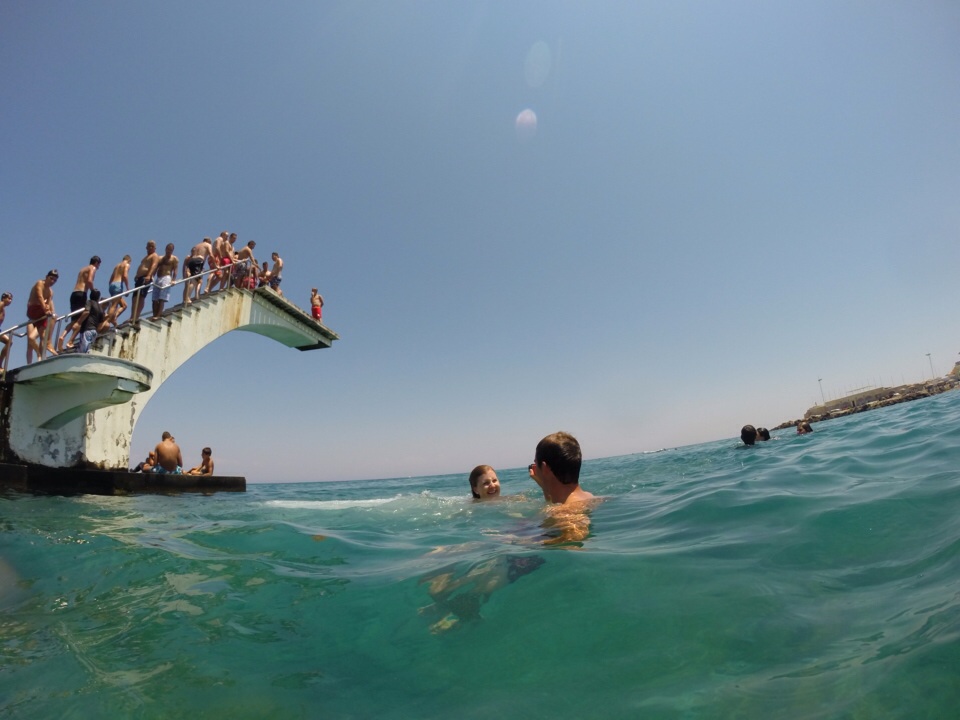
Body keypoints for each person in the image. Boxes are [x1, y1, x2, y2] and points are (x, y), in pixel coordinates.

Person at [58, 256, 101, 351]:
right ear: (97, 263)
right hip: (82, 294)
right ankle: (70, 341)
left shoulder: (82, 269)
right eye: (99, 265)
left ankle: (62, 336)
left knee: (74, 320)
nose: (98, 267)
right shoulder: (92, 268)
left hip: (74, 294)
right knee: (81, 320)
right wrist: (93, 292)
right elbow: (90, 280)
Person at [26, 270, 58, 363]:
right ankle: (33, 360)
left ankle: (42, 356)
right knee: (30, 340)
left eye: (55, 280)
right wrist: (46, 309)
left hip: (41, 314)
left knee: (42, 337)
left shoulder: (50, 292)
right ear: (46, 277)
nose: (52, 281)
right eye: (51, 278)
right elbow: (40, 297)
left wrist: (47, 309)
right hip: (33, 312)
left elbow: (48, 304)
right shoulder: (40, 283)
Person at [131, 241, 159, 323]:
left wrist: (149, 275)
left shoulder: (154, 256)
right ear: (146, 247)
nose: (150, 247)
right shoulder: (145, 257)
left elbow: (154, 265)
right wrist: (137, 275)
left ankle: (136, 316)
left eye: (152, 246)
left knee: (141, 296)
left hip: (145, 277)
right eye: (149, 246)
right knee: (135, 297)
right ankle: (132, 315)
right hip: (139, 278)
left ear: (154, 248)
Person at [75, 289, 109, 353]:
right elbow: (101, 322)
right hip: (94, 331)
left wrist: (78, 322)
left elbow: (86, 312)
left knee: (83, 348)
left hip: (87, 328)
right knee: (88, 347)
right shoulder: (100, 308)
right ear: (98, 298)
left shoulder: (90, 302)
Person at [150, 243, 179, 320]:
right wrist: (152, 276)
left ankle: (158, 315)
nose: (169, 251)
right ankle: (154, 314)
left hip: (167, 277)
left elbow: (175, 270)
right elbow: (156, 268)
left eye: (171, 250)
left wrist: (173, 280)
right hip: (158, 278)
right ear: (166, 249)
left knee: (161, 298)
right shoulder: (160, 258)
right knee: (154, 298)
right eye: (168, 249)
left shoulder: (174, 259)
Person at [182, 238, 211, 305]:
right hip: (198, 262)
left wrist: (186, 272)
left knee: (191, 282)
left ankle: (187, 298)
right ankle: (188, 298)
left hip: (193, 265)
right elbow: (211, 255)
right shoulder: (207, 245)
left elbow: (185, 265)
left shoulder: (197, 246)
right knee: (194, 281)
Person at [105, 255, 131, 325]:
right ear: (129, 260)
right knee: (114, 306)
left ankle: (114, 318)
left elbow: (110, 279)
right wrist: (128, 288)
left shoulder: (117, 266)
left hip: (112, 285)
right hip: (118, 285)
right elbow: (125, 275)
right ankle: (106, 322)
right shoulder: (127, 264)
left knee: (124, 305)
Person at [0, 292, 12, 373]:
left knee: (9, 342)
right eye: (9, 298)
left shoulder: (3, 309)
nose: (10, 301)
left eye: (11, 299)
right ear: (3, 298)